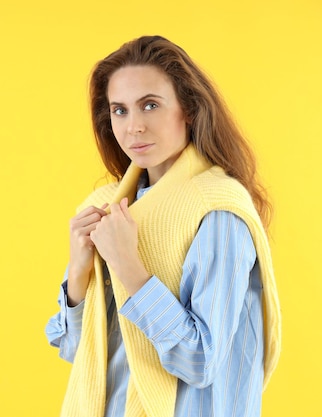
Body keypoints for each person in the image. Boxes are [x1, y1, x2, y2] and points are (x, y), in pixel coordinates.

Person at [45, 35, 281, 417]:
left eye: (150, 105)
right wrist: (79, 271)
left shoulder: (217, 212)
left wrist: (128, 267)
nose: (133, 126)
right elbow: (76, 350)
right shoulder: (110, 210)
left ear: (188, 109)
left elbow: (200, 361)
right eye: (119, 110)